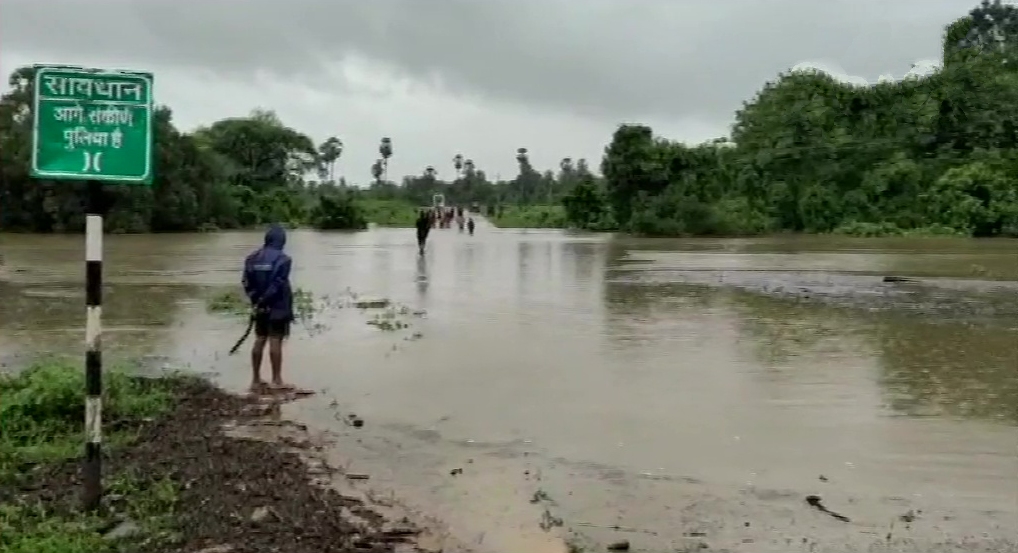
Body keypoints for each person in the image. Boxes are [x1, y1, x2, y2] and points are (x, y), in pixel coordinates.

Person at [243, 224, 294, 394]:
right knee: (275, 340)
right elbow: (278, 284)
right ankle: (277, 380)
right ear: (282, 241)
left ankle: (255, 380)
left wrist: (256, 299)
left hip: (259, 306)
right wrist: (266, 299)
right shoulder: (284, 260)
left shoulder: (251, 258)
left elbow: (246, 282)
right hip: (277, 306)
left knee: (260, 338)